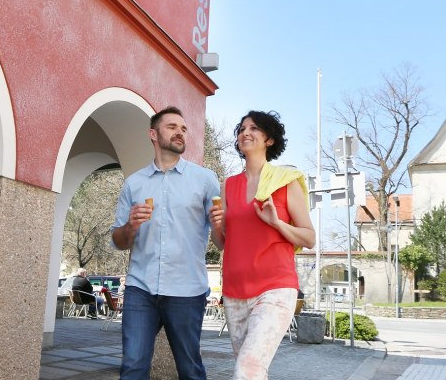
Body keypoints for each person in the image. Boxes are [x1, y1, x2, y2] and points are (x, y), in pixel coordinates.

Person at [111, 106, 219, 380]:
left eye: (183, 128)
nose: (180, 132)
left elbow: (221, 238)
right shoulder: (134, 184)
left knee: (190, 369)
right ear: (153, 134)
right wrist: (131, 225)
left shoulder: (205, 180)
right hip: (140, 289)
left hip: (187, 290)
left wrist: (223, 221)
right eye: (172, 127)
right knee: (133, 366)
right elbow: (118, 241)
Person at [209, 110, 315, 380]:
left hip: (275, 288)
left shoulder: (285, 182)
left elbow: (309, 237)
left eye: (254, 128)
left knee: (248, 368)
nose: (245, 132)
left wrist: (277, 222)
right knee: (251, 369)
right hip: (234, 292)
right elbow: (222, 244)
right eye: (242, 129)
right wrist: (215, 223)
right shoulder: (229, 184)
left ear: (269, 139)